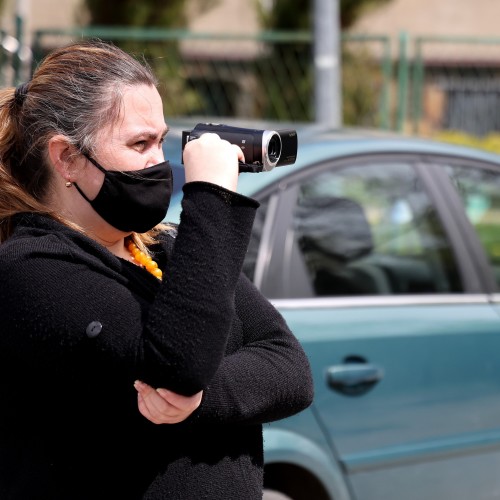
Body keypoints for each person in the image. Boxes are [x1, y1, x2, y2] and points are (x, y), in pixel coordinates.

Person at [0, 39, 313, 500]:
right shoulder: (30, 268)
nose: (159, 161)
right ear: (67, 157)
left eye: (161, 141)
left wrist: (200, 399)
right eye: (140, 143)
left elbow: (290, 367)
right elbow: (177, 365)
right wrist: (210, 196)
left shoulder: (163, 247)